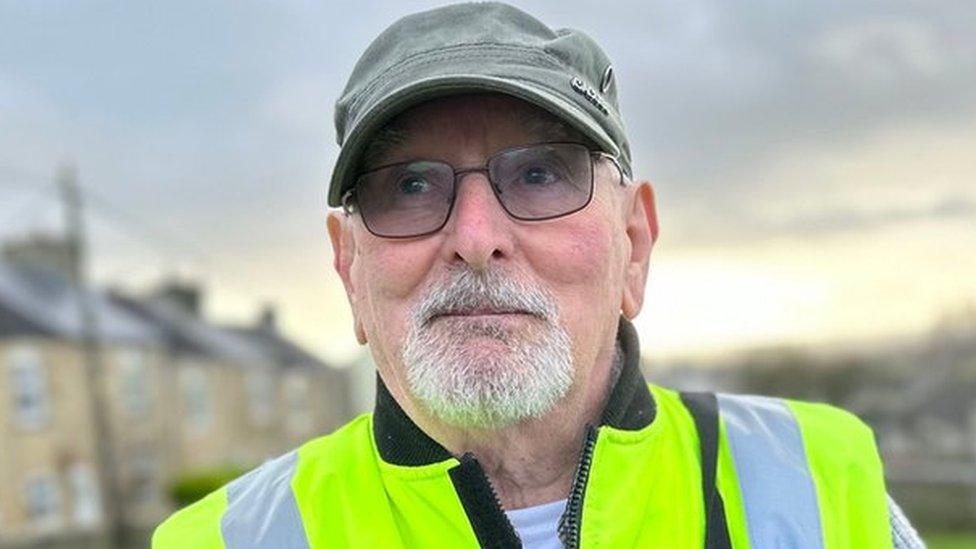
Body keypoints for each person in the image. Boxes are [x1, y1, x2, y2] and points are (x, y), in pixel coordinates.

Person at [153, 3, 924, 547]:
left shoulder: (818, 486)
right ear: (349, 268)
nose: (476, 238)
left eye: (541, 176)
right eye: (409, 187)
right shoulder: (224, 540)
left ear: (635, 240)